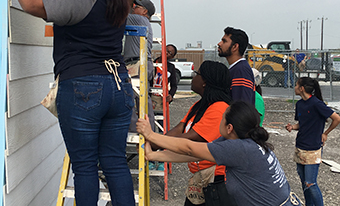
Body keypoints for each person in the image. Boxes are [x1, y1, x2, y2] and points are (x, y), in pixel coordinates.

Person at [2, 0, 135, 205]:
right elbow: (75, 4)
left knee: (85, 167)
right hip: (119, 87)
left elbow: (32, 4)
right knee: (115, 163)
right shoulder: (115, 1)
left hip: (85, 88)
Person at [137, 101, 302, 206]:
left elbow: (189, 147)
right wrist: (154, 156)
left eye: (222, 118)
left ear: (229, 127)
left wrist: (152, 135)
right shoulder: (239, 141)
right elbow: (196, 153)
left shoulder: (240, 148)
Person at [150, 60, 232, 205]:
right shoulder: (200, 105)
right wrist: (154, 144)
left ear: (205, 82)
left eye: (197, 74)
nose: (193, 78)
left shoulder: (219, 109)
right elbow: (179, 130)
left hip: (216, 181)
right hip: (201, 178)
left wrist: (152, 140)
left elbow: (188, 141)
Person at [285, 77, 340, 206]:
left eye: (296, 85)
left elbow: (336, 118)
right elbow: (302, 123)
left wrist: (325, 134)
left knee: (311, 183)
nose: (295, 87)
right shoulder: (299, 104)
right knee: (304, 181)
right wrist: (292, 127)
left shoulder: (317, 104)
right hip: (300, 146)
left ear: (302, 88)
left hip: (313, 148)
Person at [124, 0, 156, 132]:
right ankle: (149, 133)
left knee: (130, 97)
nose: (133, 8)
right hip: (139, 62)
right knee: (140, 99)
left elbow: (117, 14)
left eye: (136, 6)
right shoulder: (142, 22)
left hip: (138, 63)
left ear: (144, 11)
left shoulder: (140, 20)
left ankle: (136, 133)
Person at [217, 27, 255, 104]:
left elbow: (242, 107)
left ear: (235, 47)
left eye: (224, 41)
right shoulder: (236, 68)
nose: (219, 43)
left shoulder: (241, 71)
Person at [151, 44, 178, 110]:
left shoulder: (171, 67)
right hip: (150, 97)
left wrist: (171, 95)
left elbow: (174, 85)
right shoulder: (152, 64)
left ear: (172, 57)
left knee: (160, 119)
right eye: (166, 50)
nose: (166, 52)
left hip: (161, 99)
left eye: (169, 53)